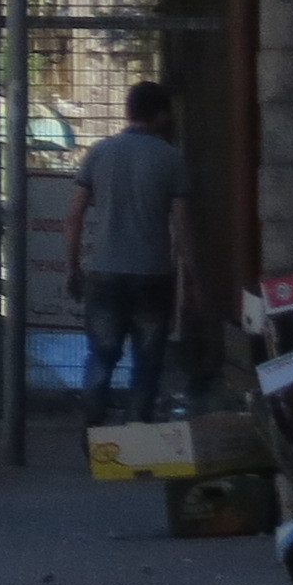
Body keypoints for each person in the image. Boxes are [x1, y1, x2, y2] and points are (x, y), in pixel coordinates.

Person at [64, 80, 191, 425]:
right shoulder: (171, 158)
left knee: (101, 356)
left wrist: (73, 266)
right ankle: (136, 441)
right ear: (162, 114)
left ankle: (92, 433)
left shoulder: (99, 153)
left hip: (104, 273)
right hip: (153, 275)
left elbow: (75, 216)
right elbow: (181, 227)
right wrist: (188, 275)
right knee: (147, 362)